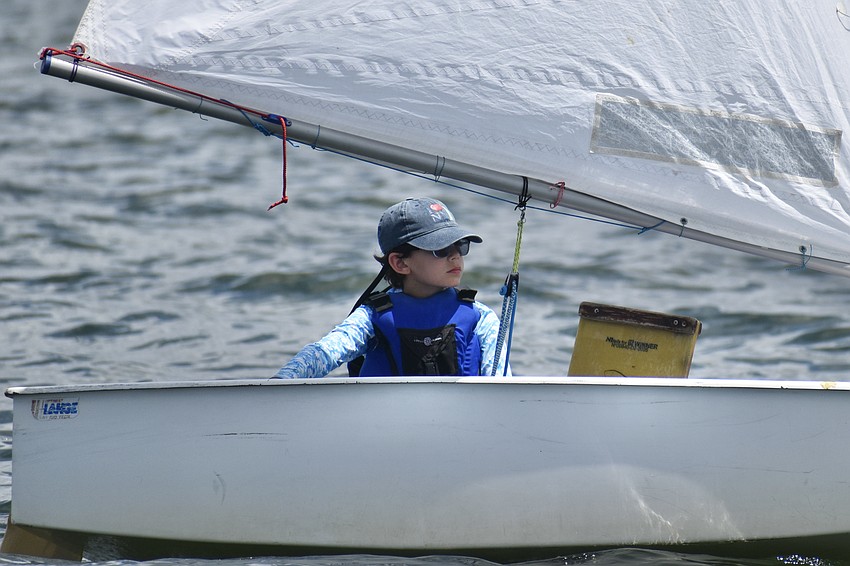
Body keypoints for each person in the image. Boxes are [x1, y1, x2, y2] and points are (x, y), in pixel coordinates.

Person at [274, 197, 510, 378]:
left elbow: (501, 382)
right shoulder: (370, 318)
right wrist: (278, 384)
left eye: (460, 246)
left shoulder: (482, 318)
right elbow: (323, 353)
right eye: (441, 249)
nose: (456, 257)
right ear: (400, 262)